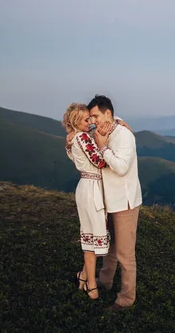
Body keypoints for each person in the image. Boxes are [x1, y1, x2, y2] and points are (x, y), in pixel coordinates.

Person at [67, 95, 142, 312]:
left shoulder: (124, 136)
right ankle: (105, 280)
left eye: (96, 116)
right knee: (110, 247)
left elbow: (120, 167)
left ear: (107, 114)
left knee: (125, 254)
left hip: (124, 202)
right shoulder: (107, 125)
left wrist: (103, 147)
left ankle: (126, 299)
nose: (92, 122)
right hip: (107, 200)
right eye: (90, 117)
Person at [62, 103, 110, 300]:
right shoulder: (81, 137)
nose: (90, 122)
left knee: (91, 236)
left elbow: (72, 155)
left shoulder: (75, 138)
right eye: (86, 119)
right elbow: (100, 161)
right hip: (91, 190)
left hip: (87, 186)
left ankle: (84, 275)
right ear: (75, 122)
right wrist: (104, 143)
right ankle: (91, 284)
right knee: (91, 239)